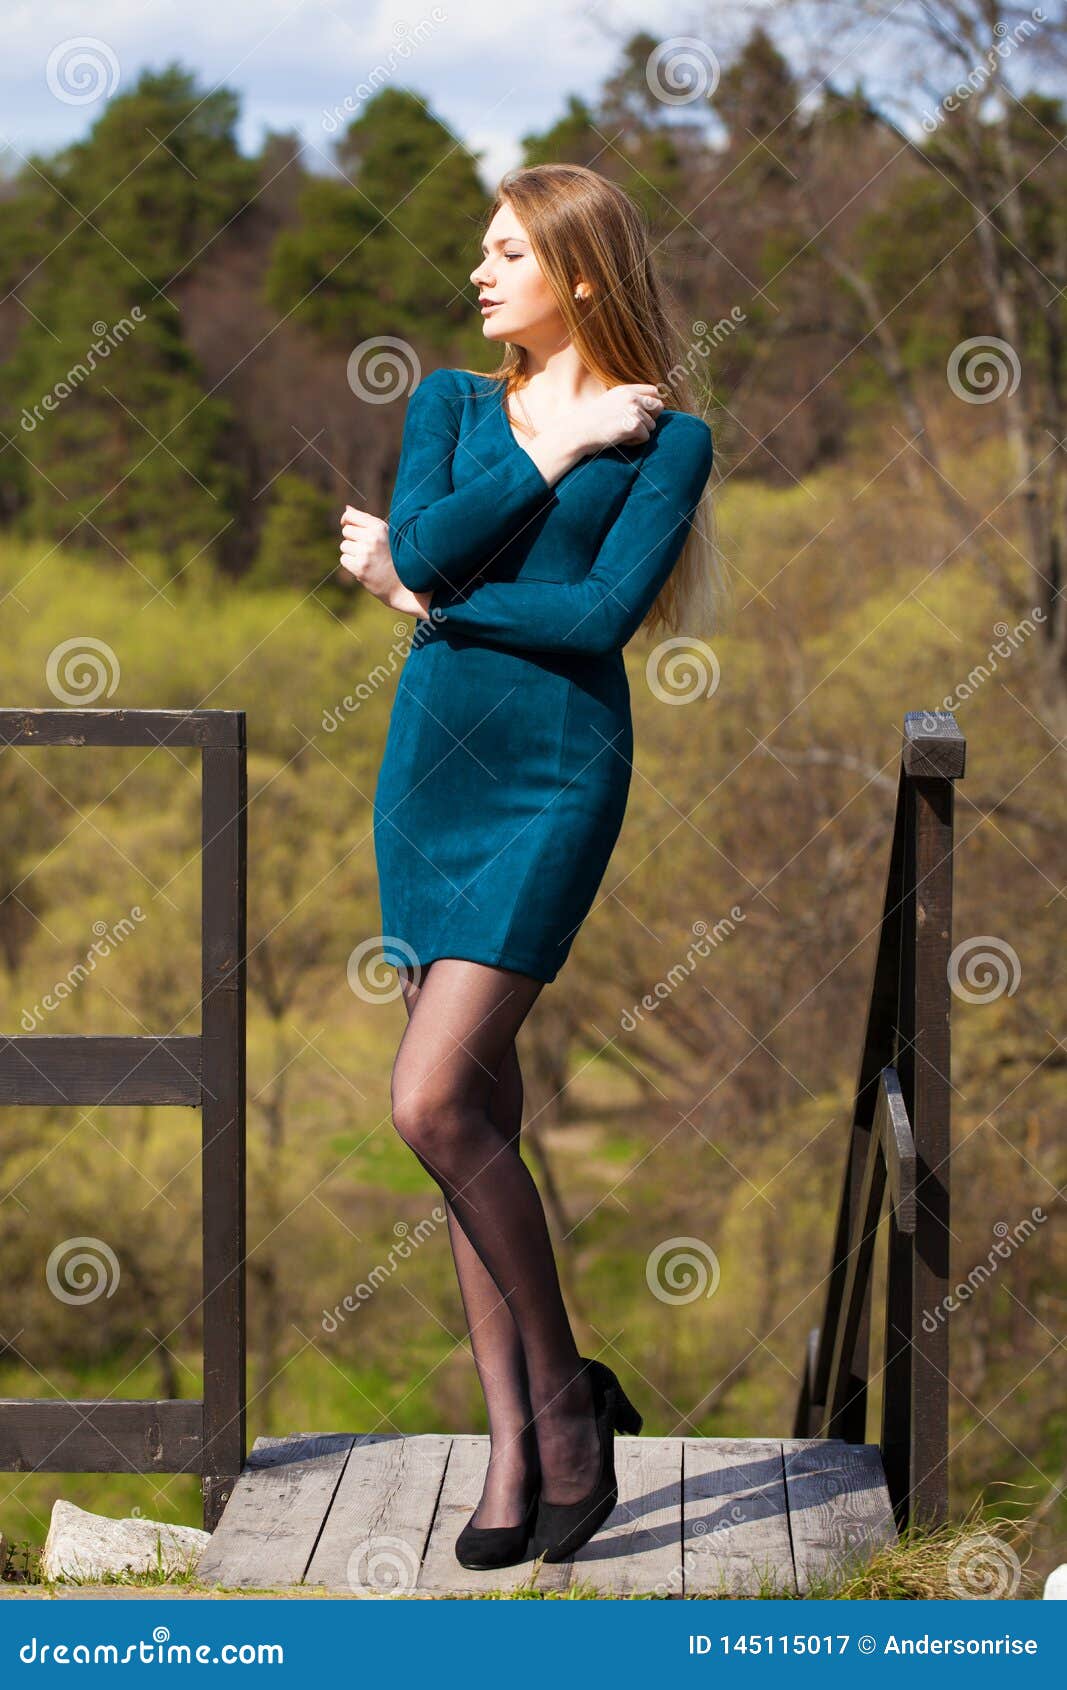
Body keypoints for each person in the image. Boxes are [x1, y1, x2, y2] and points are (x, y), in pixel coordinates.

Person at [339, 162, 725, 1570]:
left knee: (431, 1099)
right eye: (482, 252)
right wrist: (553, 454)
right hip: (428, 778)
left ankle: (568, 1405)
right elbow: (436, 532)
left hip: (557, 775)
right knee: (473, 1120)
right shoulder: (451, 403)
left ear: (580, 268)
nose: (481, 273)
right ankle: (519, 1441)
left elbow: (599, 615)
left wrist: (425, 597)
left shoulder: (667, 440)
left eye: (509, 251)